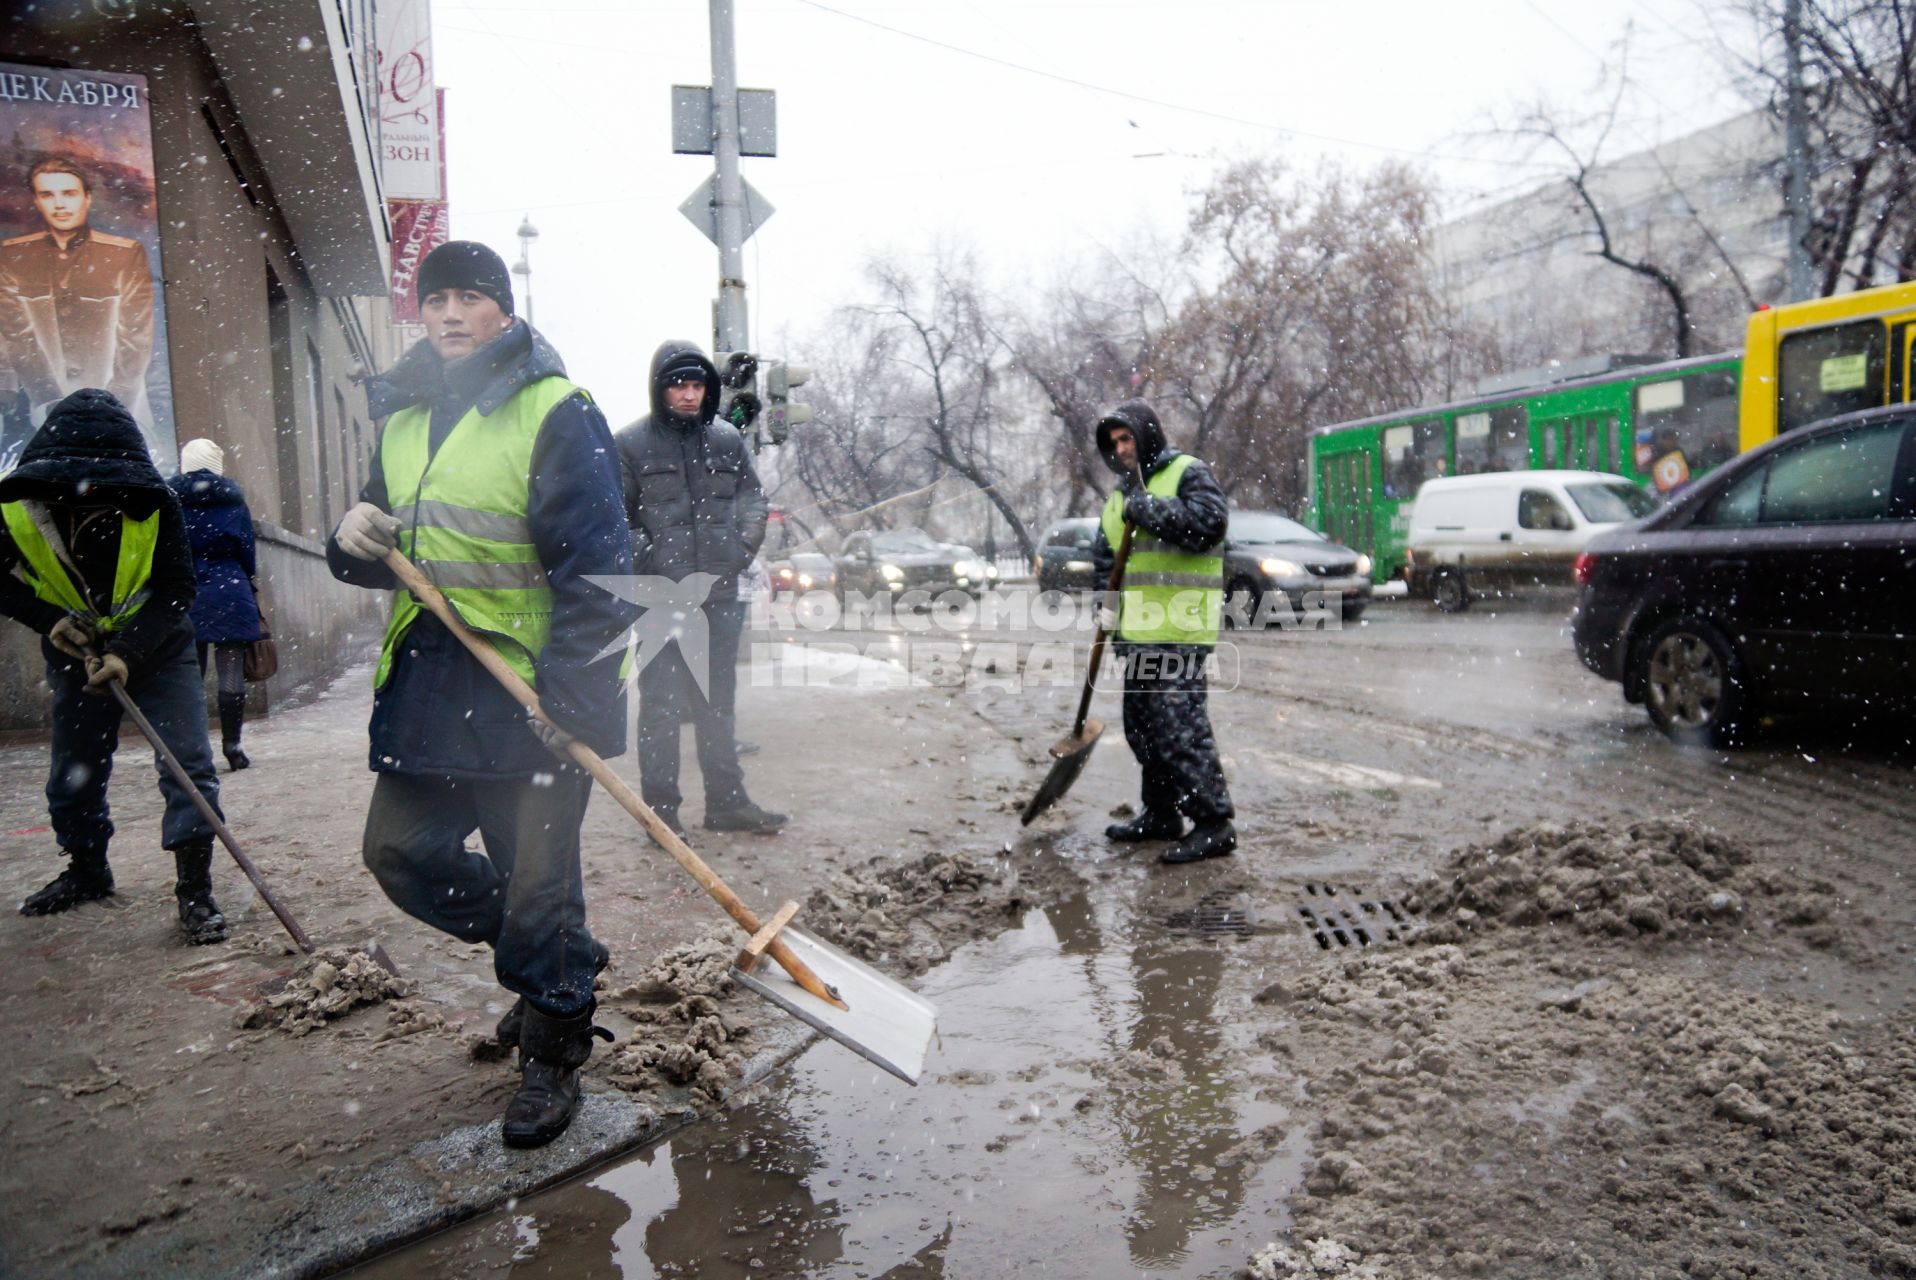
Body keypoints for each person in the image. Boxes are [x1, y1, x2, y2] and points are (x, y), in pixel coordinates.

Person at [326, 241, 637, 1149]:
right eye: (436, 301)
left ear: (503, 311)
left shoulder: (555, 409)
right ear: (418, 314)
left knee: (539, 885)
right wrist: (349, 535)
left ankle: (554, 1041)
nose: (451, 314)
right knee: (398, 853)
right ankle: (558, 967)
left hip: (526, 696)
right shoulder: (403, 415)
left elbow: (601, 570)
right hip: (430, 689)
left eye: (470, 298)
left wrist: (572, 699)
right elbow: (381, 543)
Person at [0, 388, 227, 943]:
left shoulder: (155, 504)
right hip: (75, 654)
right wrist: (49, 619)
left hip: (159, 649)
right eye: (76, 483)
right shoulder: (18, 511)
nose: (90, 493)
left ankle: (195, 892)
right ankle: (86, 870)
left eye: (104, 484)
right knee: (73, 769)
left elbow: (177, 589)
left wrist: (127, 652)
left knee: (187, 765)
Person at [615, 341, 785, 837]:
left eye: (697, 385)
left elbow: (754, 503)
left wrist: (735, 554)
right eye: (678, 385)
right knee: (662, 708)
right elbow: (618, 520)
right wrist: (656, 567)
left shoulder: (727, 441)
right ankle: (661, 815)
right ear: (660, 389)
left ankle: (727, 804)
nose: (689, 395)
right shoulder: (630, 444)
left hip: (718, 598)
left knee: (717, 703)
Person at [1091, 400, 1236, 865]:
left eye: (1126, 437)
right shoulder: (1115, 500)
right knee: (1144, 730)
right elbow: (1104, 562)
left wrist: (1150, 508)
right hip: (1135, 637)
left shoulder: (1187, 472)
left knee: (1180, 731)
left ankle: (1214, 823)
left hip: (1179, 631)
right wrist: (1106, 618)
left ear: (1146, 434)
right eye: (1113, 443)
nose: (1121, 448)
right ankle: (1160, 814)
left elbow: (1210, 524)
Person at [0, 156, 157, 446]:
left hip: (122, 414)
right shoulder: (11, 257)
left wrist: (109, 408)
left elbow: (135, 340)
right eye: (47, 194)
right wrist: (51, 402)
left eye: (69, 193)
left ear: (87, 198)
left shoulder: (124, 254)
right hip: (39, 415)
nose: (59, 204)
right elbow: (15, 335)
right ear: (36, 200)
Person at [167, 438, 260, 771]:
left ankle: (193, 749)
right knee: (231, 671)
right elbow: (247, 551)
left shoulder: (171, 502)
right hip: (228, 590)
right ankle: (233, 746)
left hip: (185, 592)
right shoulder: (234, 502)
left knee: (190, 675)